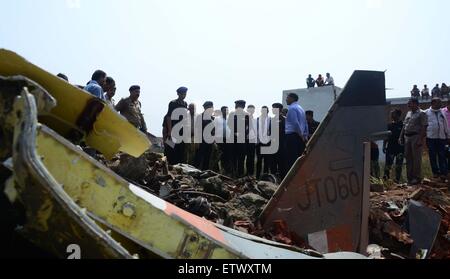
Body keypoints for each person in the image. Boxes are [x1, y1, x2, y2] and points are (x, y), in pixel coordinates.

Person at [400, 98, 428, 185]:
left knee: (416, 158)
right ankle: (409, 178)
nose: (408, 105)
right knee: (408, 158)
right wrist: (400, 136)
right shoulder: (408, 113)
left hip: (416, 137)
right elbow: (404, 125)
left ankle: (416, 177)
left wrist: (420, 139)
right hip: (407, 137)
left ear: (416, 104)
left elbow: (424, 127)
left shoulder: (422, 113)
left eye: (410, 103)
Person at [425, 98, 449, 181]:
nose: (441, 104)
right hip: (431, 138)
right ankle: (436, 173)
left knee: (442, 155)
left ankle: (444, 172)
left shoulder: (442, 112)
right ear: (433, 103)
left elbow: (445, 124)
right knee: (432, 155)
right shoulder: (426, 113)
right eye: (439, 102)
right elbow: (424, 126)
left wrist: (448, 136)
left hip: (441, 138)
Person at [164, 87, 189, 165]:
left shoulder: (185, 104)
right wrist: (170, 130)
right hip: (173, 129)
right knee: (170, 150)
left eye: (185, 94)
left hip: (182, 130)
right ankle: (168, 166)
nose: (183, 95)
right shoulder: (173, 103)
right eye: (182, 94)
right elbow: (168, 117)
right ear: (178, 94)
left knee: (180, 150)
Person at [285, 93, 309, 171]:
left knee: (291, 159)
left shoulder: (292, 108)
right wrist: (305, 136)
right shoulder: (301, 108)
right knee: (299, 158)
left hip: (293, 136)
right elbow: (305, 123)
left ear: (292, 98)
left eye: (287, 98)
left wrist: (301, 135)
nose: (286, 99)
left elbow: (295, 123)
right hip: (299, 137)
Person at [228, 100, 250, 178]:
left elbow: (249, 127)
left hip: (242, 139)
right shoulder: (232, 114)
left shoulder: (247, 115)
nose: (237, 106)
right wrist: (235, 133)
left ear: (243, 106)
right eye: (236, 105)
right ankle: (233, 173)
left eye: (238, 105)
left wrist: (243, 134)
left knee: (241, 157)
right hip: (233, 138)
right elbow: (229, 124)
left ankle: (240, 174)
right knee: (233, 156)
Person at [383, 109, 404, 183]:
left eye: (393, 114)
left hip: (400, 148)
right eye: (391, 114)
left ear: (398, 115)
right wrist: (384, 146)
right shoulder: (389, 125)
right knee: (388, 164)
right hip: (390, 148)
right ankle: (386, 179)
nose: (391, 115)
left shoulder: (402, 125)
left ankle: (397, 180)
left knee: (398, 165)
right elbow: (386, 137)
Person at [194, 102, 215, 170]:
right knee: (199, 157)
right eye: (208, 107)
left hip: (210, 141)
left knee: (207, 157)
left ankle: (205, 171)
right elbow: (197, 129)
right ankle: (195, 172)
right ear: (205, 108)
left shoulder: (212, 118)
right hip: (201, 140)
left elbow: (214, 130)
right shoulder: (200, 117)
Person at [270, 103, 287, 179]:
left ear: (279, 109)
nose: (273, 110)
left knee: (282, 165)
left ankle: (282, 180)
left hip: (281, 146)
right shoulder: (272, 119)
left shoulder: (284, 119)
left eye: (274, 108)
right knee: (272, 164)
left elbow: (285, 132)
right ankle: (273, 180)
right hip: (273, 145)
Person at [214, 106, 232, 174]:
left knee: (226, 156)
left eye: (227, 110)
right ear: (221, 111)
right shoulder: (217, 119)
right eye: (224, 110)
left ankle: (225, 171)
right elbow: (213, 129)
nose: (226, 111)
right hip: (219, 139)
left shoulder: (229, 119)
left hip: (227, 140)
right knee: (218, 155)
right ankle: (217, 171)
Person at [256, 106, 271, 179]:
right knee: (259, 160)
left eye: (266, 111)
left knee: (267, 161)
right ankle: (257, 176)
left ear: (268, 111)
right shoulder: (257, 119)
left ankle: (265, 177)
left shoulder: (271, 120)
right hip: (259, 143)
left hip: (268, 143)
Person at [246, 105, 257, 177]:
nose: (252, 111)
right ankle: (247, 172)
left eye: (253, 109)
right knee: (247, 157)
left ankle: (251, 173)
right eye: (250, 109)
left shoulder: (254, 119)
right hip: (246, 139)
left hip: (252, 140)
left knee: (251, 157)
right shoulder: (245, 118)